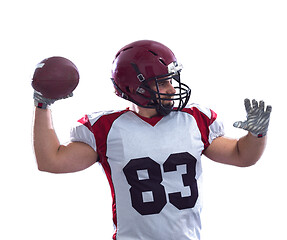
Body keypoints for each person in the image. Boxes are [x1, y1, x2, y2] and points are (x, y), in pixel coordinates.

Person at [33, 40, 272, 240]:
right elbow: (51, 160)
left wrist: (257, 134)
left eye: (172, 79)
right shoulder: (106, 128)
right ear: (136, 87)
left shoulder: (194, 119)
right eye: (163, 82)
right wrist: (43, 104)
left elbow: (242, 155)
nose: (172, 88)